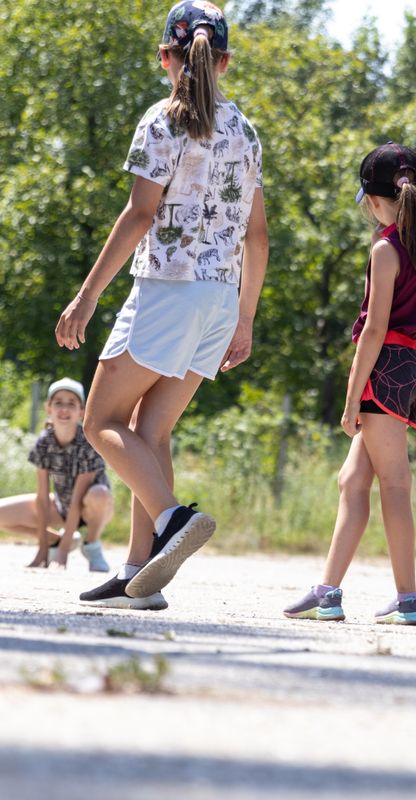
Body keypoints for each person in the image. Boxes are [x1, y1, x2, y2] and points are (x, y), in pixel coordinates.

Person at [54, 1, 268, 610]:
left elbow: (141, 214)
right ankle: (138, 576)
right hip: (220, 300)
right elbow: (257, 236)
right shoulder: (244, 131)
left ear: (164, 57)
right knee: (151, 431)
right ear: (222, 61)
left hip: (168, 292)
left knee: (99, 421)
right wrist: (245, 319)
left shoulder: (162, 120)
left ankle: (173, 520)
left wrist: (87, 295)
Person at [283, 142, 416, 626]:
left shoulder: (386, 248)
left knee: (394, 487)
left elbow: (374, 330)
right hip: (414, 368)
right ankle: (328, 591)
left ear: (374, 201)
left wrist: (353, 395)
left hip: (385, 369)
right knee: (353, 480)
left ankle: (408, 599)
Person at [0, 378, 114, 572]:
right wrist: (43, 549)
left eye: (71, 403)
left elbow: (78, 498)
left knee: (99, 493)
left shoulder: (87, 442)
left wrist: (61, 555)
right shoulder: (44, 441)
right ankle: (57, 539)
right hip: (62, 506)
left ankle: (91, 544)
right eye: (58, 402)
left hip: (92, 507)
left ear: (82, 411)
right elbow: (42, 497)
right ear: (49, 408)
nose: (64, 409)